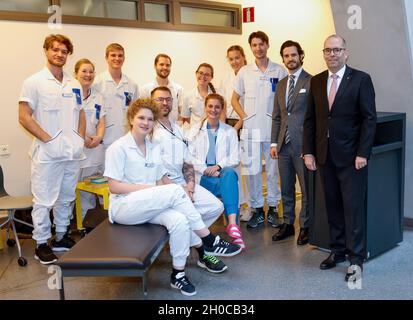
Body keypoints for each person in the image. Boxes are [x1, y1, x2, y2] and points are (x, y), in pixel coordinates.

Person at [104, 98, 241, 296]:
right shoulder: (118, 147)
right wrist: (152, 189)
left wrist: (182, 192)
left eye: (150, 119)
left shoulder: (151, 147)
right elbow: (114, 187)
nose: (145, 122)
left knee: (179, 220)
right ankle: (209, 240)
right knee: (176, 192)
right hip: (124, 208)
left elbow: (161, 178)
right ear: (131, 118)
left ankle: (178, 273)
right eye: (141, 118)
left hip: (147, 204)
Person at [302, 35, 377, 281]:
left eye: (337, 50)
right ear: (323, 54)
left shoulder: (361, 79)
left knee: (353, 209)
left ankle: (356, 260)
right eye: (328, 50)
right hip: (324, 156)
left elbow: (368, 119)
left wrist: (362, 153)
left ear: (346, 53)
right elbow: (310, 120)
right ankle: (337, 251)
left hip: (352, 158)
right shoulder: (317, 81)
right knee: (333, 207)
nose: (332, 54)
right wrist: (309, 151)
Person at [18, 34, 85, 264]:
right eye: (55, 50)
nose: (59, 54)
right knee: (44, 200)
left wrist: (80, 138)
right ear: (46, 51)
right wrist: (48, 140)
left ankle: (61, 236)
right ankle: (41, 243)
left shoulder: (74, 83)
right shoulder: (34, 82)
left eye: (64, 51)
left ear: (68, 55)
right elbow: (24, 117)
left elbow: (81, 112)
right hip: (47, 154)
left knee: (66, 197)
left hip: (72, 152)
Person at [151, 86, 232, 268]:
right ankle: (203, 252)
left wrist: (190, 184)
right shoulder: (150, 130)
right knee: (188, 214)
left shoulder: (178, 128)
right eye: (159, 99)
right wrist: (179, 190)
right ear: (151, 101)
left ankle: (188, 240)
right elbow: (154, 169)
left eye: (168, 99)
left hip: (183, 182)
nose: (165, 103)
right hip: (164, 186)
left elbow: (187, 161)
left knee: (215, 206)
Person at [232, 31, 288, 229]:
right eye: (254, 45)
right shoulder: (244, 72)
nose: (258, 48)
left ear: (267, 45)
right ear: (251, 47)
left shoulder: (279, 71)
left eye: (261, 44)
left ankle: (273, 208)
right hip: (250, 131)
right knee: (251, 171)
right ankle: (256, 209)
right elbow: (234, 99)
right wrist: (245, 116)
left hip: (272, 129)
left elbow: (283, 101)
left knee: (273, 171)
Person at [187, 93, 245, 249]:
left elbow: (235, 157)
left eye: (217, 107)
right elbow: (188, 157)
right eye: (210, 106)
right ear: (205, 108)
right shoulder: (194, 131)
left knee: (230, 173)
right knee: (230, 178)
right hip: (202, 179)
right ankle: (233, 227)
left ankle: (232, 225)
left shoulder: (230, 131)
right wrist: (206, 169)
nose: (213, 110)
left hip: (222, 176)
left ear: (222, 109)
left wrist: (218, 166)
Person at [270, 40, 311, 245]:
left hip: (303, 146)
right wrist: (273, 144)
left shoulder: (312, 82)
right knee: (286, 186)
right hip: (283, 145)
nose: (290, 59)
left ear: (301, 56)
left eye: (293, 55)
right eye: (286, 56)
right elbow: (277, 116)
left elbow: (314, 118)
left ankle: (305, 226)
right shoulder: (281, 84)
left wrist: (310, 147)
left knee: (306, 188)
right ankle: (287, 223)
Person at [219, 45, 252, 222]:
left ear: (244, 57)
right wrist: (225, 128)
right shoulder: (226, 78)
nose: (234, 61)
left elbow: (248, 107)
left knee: (248, 167)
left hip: (246, 123)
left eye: (237, 58)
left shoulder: (250, 74)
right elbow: (223, 104)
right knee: (233, 168)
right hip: (230, 125)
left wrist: (238, 125)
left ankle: (250, 206)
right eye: (231, 59)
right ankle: (237, 205)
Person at [74, 58, 106, 218]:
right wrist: (83, 138)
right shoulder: (69, 93)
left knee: (88, 189)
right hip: (75, 149)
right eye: (84, 71)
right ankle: (64, 226)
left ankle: (84, 223)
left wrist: (99, 137)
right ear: (76, 74)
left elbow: (101, 120)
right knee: (68, 189)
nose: (88, 74)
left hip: (93, 150)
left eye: (91, 71)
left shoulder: (98, 96)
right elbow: (67, 122)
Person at [94, 43, 138, 149]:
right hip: (103, 141)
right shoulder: (97, 83)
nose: (117, 58)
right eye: (113, 55)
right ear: (106, 58)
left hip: (126, 138)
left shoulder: (132, 85)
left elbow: (135, 113)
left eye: (120, 55)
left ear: (124, 58)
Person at [140, 54, 184, 123]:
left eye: (167, 65)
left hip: (173, 131)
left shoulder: (178, 89)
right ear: (155, 66)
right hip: (153, 130)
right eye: (161, 64)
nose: (165, 67)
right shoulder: (146, 89)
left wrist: (178, 127)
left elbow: (182, 113)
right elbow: (142, 113)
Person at [181, 63, 223, 130]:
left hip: (214, 133)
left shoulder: (219, 94)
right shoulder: (188, 96)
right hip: (196, 135)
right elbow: (185, 120)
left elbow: (222, 117)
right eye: (200, 73)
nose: (203, 76)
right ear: (196, 74)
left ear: (211, 77)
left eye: (207, 74)